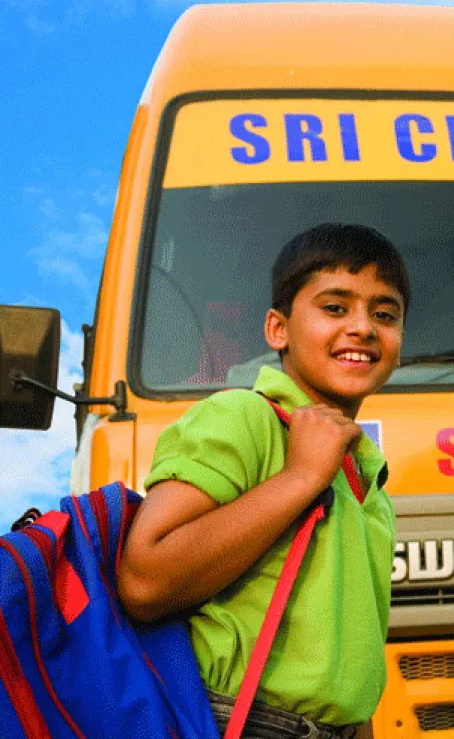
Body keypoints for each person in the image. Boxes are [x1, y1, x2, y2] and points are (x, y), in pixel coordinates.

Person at [117, 223, 409, 739]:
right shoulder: (243, 417)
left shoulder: (368, 478)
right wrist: (300, 478)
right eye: (335, 307)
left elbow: (344, 671)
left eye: (385, 314)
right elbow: (144, 579)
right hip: (238, 722)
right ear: (278, 329)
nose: (363, 327)